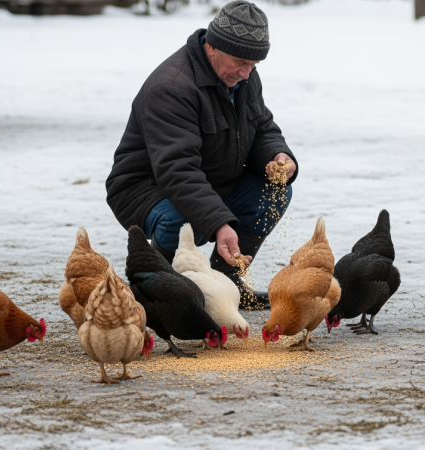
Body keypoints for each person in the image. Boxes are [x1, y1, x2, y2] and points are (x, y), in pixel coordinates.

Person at [105, 0, 297, 309]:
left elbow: (262, 126)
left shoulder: (241, 76)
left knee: (275, 192)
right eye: (241, 62)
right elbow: (178, 170)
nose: (247, 74)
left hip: (214, 182)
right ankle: (155, 296)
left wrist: (278, 156)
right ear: (213, 47)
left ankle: (224, 291)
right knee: (181, 222)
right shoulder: (172, 87)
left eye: (254, 65)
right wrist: (220, 223)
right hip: (149, 187)